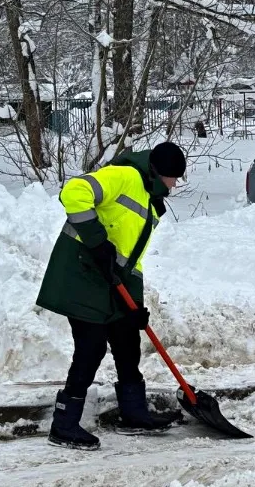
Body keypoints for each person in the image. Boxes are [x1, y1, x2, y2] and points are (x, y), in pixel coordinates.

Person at [36, 142, 188, 451]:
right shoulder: (124, 176)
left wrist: (134, 304)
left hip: (107, 277)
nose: (176, 184)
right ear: (159, 172)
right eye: (174, 178)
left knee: (127, 338)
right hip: (80, 272)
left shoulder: (149, 195)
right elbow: (74, 192)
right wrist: (97, 241)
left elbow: (132, 257)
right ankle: (64, 424)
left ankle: (133, 414)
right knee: (91, 348)